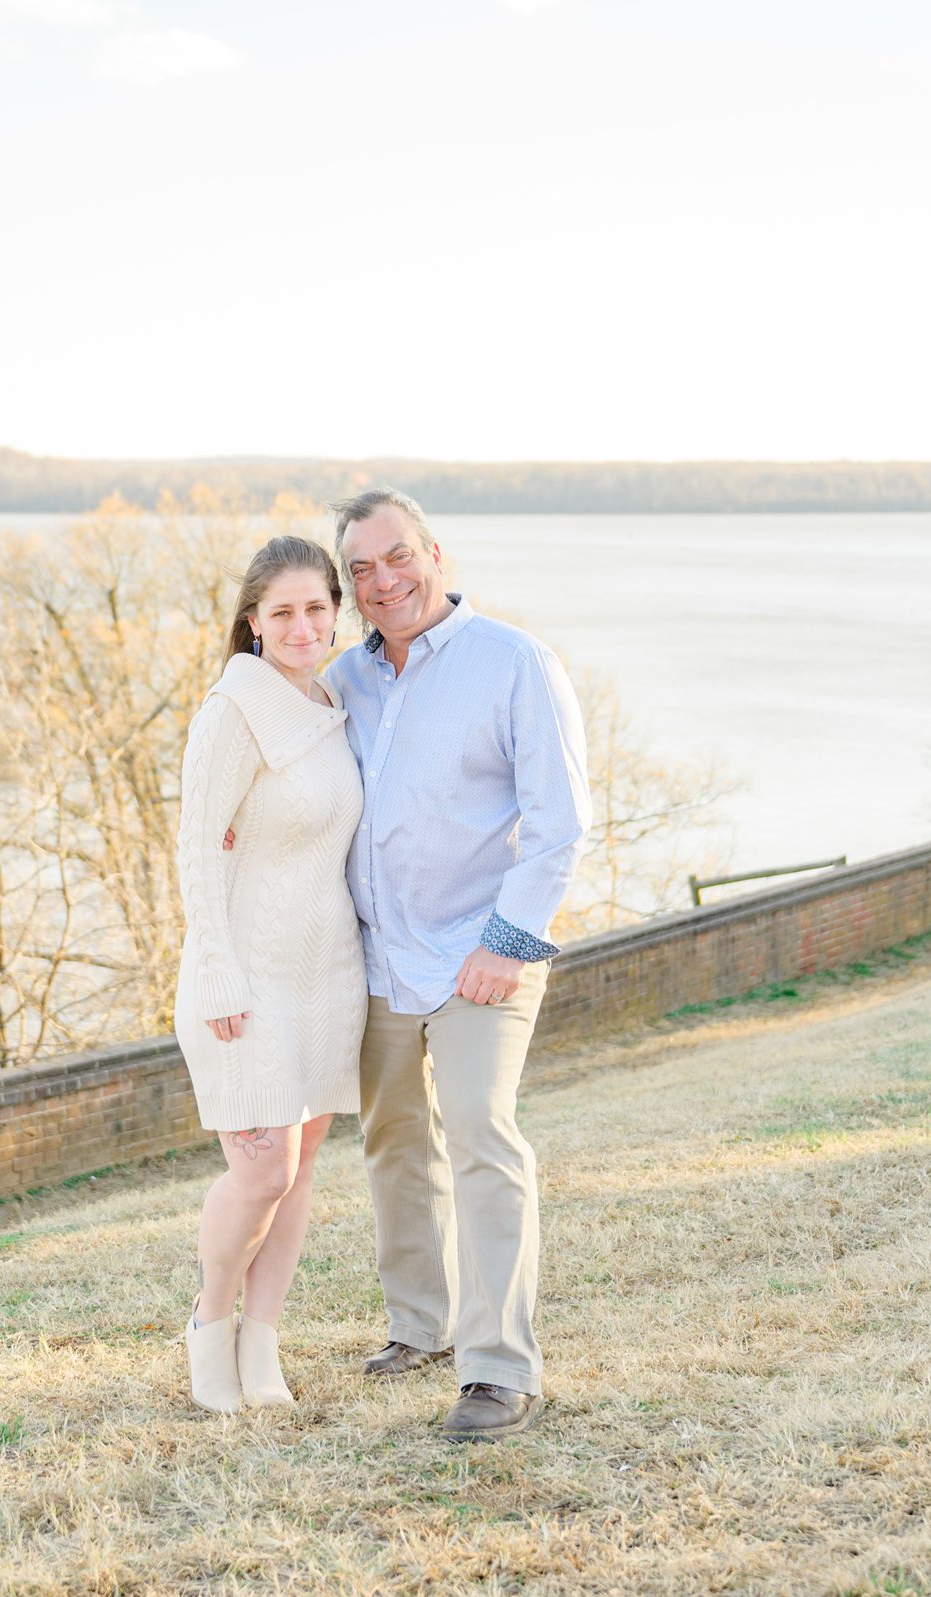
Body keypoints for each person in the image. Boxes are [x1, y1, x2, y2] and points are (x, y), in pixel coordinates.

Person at [323, 487, 589, 1442]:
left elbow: (560, 823)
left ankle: (498, 1370)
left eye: (398, 557)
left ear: (436, 553)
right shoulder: (344, 680)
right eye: (361, 569)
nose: (383, 579)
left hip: (484, 953)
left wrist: (504, 944)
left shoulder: (514, 662)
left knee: (481, 1134)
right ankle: (420, 1328)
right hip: (381, 958)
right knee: (394, 1142)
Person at [171, 535, 367, 1414]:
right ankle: (210, 1327)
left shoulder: (332, 700)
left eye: (317, 608)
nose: (301, 625)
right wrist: (216, 975)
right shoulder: (232, 712)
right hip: (246, 979)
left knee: (299, 1169)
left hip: (327, 972)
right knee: (259, 1171)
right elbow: (195, 856)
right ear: (253, 622)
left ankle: (264, 1346)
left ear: (336, 611)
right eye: (282, 611)